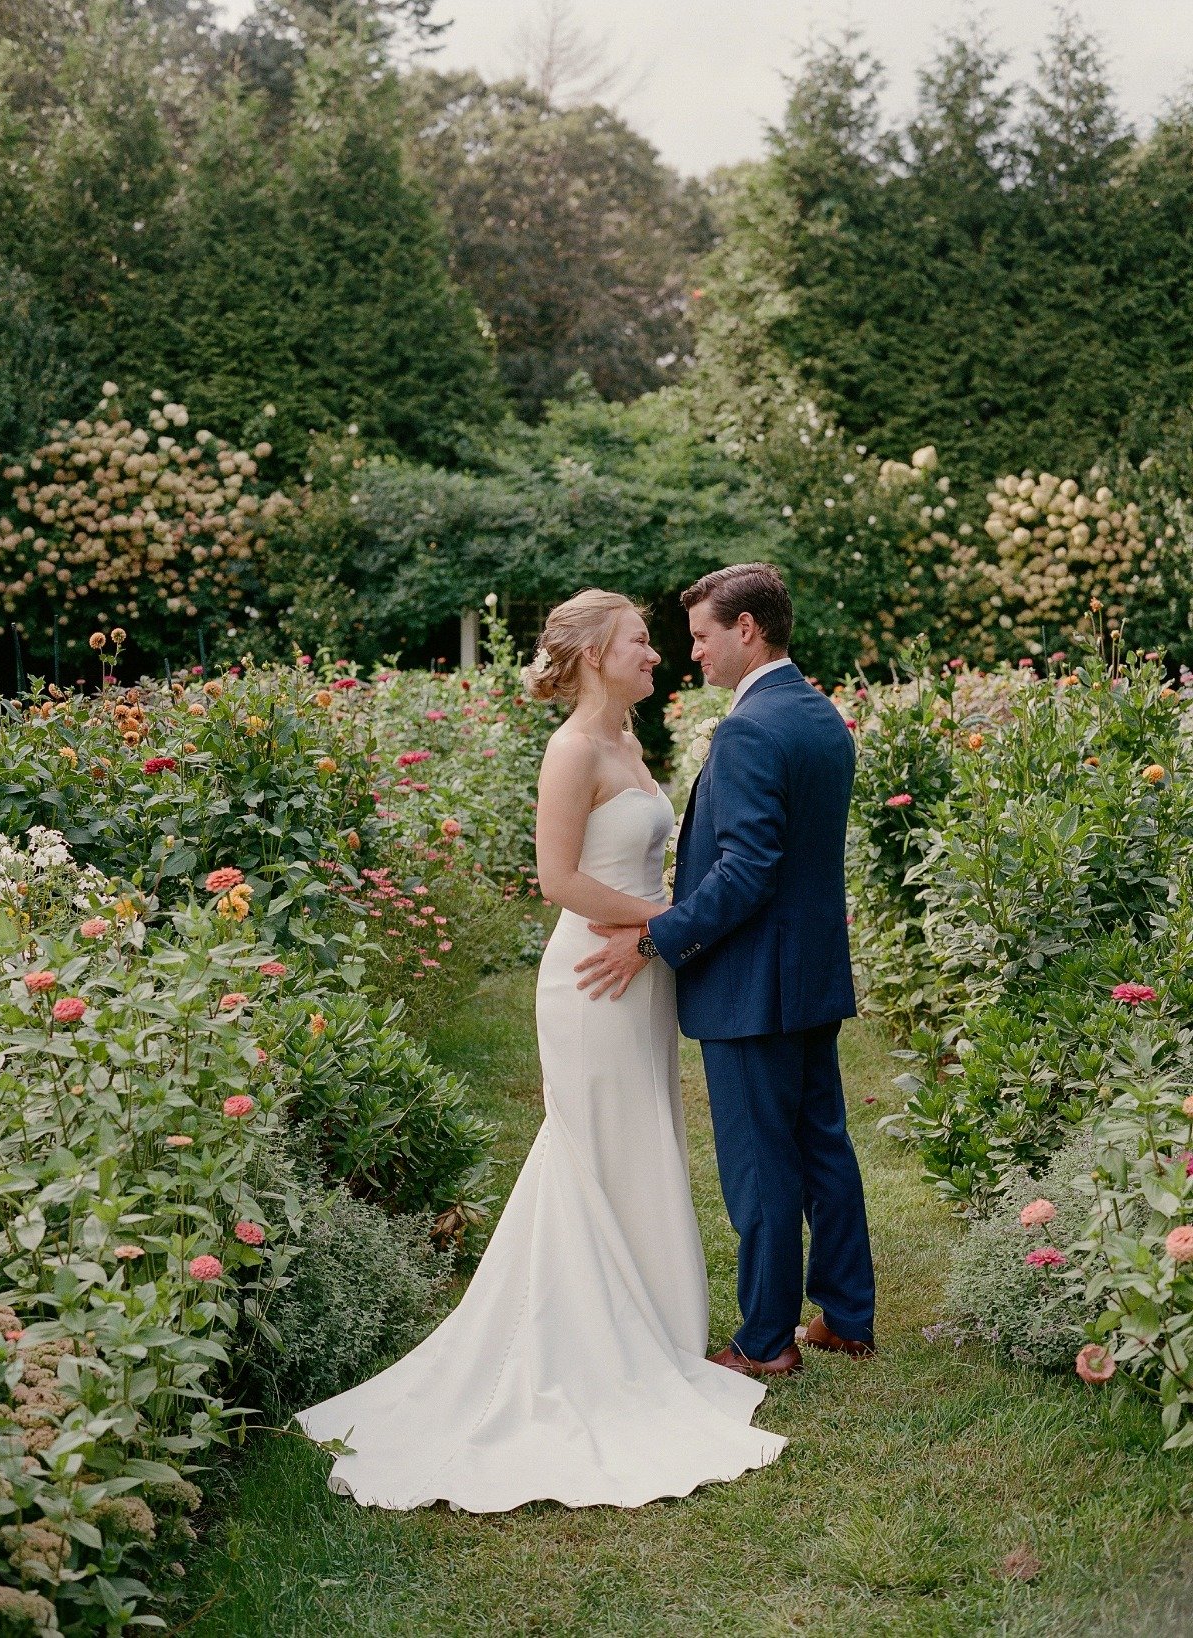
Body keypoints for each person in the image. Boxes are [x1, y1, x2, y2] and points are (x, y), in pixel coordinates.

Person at [295, 588, 785, 1511]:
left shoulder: (631, 745)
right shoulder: (571, 749)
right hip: (593, 979)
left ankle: (652, 1333)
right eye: (642, 641)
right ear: (597, 653)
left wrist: (663, 934)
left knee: (641, 1140)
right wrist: (676, 920)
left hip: (636, 972)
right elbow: (558, 879)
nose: (657, 654)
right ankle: (586, 1349)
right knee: (593, 1147)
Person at [578, 563, 876, 1375]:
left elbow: (746, 872)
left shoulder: (750, 728)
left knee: (759, 1166)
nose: (695, 654)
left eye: (704, 636)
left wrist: (652, 940)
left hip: (752, 982)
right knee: (822, 1146)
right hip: (810, 971)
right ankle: (847, 1315)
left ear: (747, 630)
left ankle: (765, 1340)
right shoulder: (818, 713)